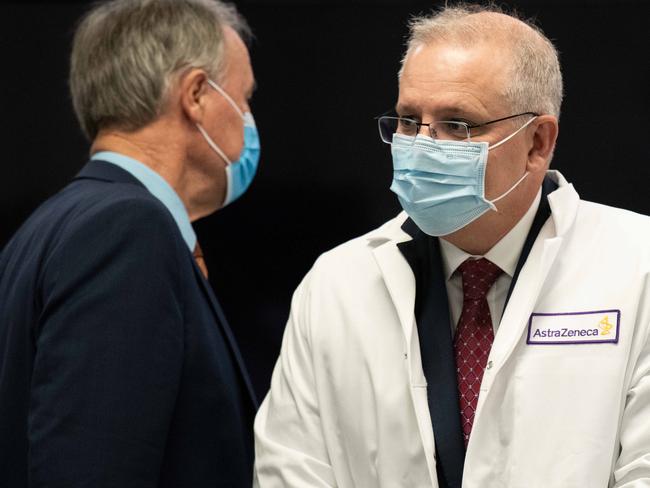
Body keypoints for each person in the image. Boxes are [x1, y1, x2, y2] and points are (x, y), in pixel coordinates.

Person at [254, 4, 650, 487]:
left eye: (457, 125)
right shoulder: (336, 284)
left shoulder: (636, 265)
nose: (422, 145)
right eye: (407, 120)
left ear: (537, 144)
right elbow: (291, 470)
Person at [0, 0, 260, 486]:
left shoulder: (46, 227)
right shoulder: (128, 229)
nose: (247, 119)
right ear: (197, 95)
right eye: (243, 100)